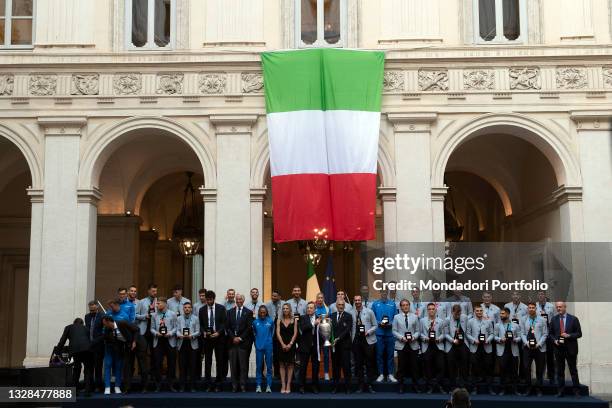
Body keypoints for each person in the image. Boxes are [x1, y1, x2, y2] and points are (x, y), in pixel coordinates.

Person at [549, 301, 582, 398]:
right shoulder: (554, 319)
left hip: (571, 349)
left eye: (560, 307)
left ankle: (576, 391)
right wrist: (554, 340)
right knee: (559, 371)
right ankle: (560, 391)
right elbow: (550, 334)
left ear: (565, 307)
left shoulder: (573, 319)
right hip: (558, 349)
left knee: (573, 370)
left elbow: (579, 333)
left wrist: (569, 335)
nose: (558, 308)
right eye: (557, 307)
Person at [199, 290, 227, 392]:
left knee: (220, 361)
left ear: (213, 299)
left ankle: (218, 384)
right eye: (207, 300)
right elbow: (201, 325)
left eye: (210, 300)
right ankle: (208, 384)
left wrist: (218, 332)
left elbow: (224, 323)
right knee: (208, 362)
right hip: (207, 339)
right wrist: (204, 332)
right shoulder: (202, 310)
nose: (209, 302)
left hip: (219, 339)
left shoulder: (221, 308)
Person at [101, 316, 137, 395]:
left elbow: (135, 330)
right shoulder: (106, 329)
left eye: (104, 324)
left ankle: (117, 386)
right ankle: (107, 387)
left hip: (119, 350)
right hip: (109, 349)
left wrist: (134, 341)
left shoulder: (122, 323)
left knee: (119, 366)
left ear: (108, 322)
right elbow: (103, 338)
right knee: (108, 365)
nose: (104, 326)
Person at [57, 318, 93, 396]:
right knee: (87, 369)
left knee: (77, 369)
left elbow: (62, 340)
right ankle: (87, 391)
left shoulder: (68, 327)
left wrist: (57, 352)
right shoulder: (86, 328)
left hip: (75, 350)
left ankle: (75, 391)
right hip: (87, 349)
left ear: (74, 323)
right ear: (82, 323)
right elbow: (90, 339)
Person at [226, 294, 254, 392]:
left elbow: (249, 328)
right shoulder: (229, 312)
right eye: (237, 299)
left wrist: (240, 338)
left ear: (243, 300)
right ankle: (234, 386)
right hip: (232, 343)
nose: (238, 301)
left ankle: (242, 385)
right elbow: (227, 327)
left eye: (240, 299)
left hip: (243, 343)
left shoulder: (249, 312)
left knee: (243, 366)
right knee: (233, 366)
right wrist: (233, 338)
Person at [150, 297, 178, 392]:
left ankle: (171, 384)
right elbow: (152, 328)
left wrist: (170, 333)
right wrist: (156, 333)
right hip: (158, 341)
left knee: (171, 363)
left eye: (159, 303)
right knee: (157, 363)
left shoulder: (173, 314)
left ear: (165, 304)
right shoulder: (154, 315)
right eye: (157, 304)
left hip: (169, 340)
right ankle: (158, 385)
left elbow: (176, 328)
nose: (157, 305)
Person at [392, 299, 420, 393]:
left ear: (409, 305)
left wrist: (414, 337)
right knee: (401, 367)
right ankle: (401, 385)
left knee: (415, 366)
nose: (405, 306)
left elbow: (418, 331)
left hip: (413, 344)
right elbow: (394, 331)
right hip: (401, 344)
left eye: (407, 305)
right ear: (400, 307)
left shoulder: (415, 317)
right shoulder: (396, 317)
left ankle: (415, 385)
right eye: (403, 305)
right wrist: (401, 338)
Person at [466, 305, 495, 395]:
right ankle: (474, 388)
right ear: (474, 311)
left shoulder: (488, 321)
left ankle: (490, 388)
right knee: (474, 368)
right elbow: (468, 333)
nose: (479, 312)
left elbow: (492, 333)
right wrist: (474, 341)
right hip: (475, 347)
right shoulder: (470, 321)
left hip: (486, 347)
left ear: (483, 312)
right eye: (477, 311)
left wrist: (488, 340)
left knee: (488, 367)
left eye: (480, 311)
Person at [520, 302, 547, 396]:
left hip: (539, 348)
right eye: (529, 307)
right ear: (528, 309)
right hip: (527, 348)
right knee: (526, 368)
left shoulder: (542, 320)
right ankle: (528, 387)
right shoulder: (523, 319)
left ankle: (539, 388)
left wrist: (539, 344)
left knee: (539, 369)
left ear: (536, 309)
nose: (531, 309)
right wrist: (526, 343)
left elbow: (545, 334)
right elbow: (522, 333)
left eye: (533, 307)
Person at [352, 294, 377, 393]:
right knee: (359, 364)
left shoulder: (369, 311)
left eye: (359, 300)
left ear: (361, 301)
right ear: (354, 301)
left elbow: (375, 325)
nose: (357, 302)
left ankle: (370, 385)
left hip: (368, 341)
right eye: (356, 300)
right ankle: (361, 385)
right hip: (357, 341)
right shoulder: (351, 312)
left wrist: (368, 332)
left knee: (369, 364)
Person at [371, 289, 398, 382]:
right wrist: (379, 323)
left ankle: (390, 374)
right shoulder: (375, 304)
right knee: (379, 355)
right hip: (379, 333)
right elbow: (372, 318)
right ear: (380, 293)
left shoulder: (392, 304)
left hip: (390, 333)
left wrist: (390, 323)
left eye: (385, 292)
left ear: (387, 293)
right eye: (382, 292)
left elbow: (396, 317)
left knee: (390, 355)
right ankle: (381, 374)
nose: (384, 293)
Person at [494, 307, 521, 396]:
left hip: (513, 350)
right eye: (500, 314)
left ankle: (515, 389)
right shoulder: (497, 325)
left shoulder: (515, 325)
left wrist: (515, 339)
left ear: (508, 314)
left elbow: (520, 337)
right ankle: (503, 389)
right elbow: (494, 336)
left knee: (514, 371)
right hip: (502, 350)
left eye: (503, 314)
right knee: (502, 371)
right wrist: (500, 339)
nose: (501, 315)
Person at [420, 302, 445, 394]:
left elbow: (444, 333)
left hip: (438, 346)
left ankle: (437, 384)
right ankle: (431, 386)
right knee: (428, 367)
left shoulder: (441, 321)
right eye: (429, 309)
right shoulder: (422, 321)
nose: (431, 310)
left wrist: (439, 339)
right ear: (427, 311)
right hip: (427, 346)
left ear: (436, 310)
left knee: (440, 366)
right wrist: (425, 338)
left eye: (433, 309)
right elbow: (420, 333)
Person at [177, 302, 200, 392]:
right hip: (182, 343)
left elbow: (198, 331)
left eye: (188, 307)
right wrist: (180, 335)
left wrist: (192, 335)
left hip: (192, 344)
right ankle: (182, 386)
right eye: (185, 307)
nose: (187, 309)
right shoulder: (179, 318)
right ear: (183, 309)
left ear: (191, 309)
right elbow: (177, 330)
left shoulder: (196, 318)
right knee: (182, 366)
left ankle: (192, 387)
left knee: (192, 366)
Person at [330, 299, 353, 394]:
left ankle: (348, 387)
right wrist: (331, 339)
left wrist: (338, 338)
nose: (340, 306)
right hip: (334, 346)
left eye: (342, 305)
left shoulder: (349, 316)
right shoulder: (331, 316)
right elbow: (329, 330)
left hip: (345, 346)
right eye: (339, 304)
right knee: (335, 367)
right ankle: (336, 387)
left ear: (344, 305)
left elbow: (347, 330)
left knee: (346, 367)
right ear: (336, 305)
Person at [298, 302, 320, 394]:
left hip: (315, 346)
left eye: (311, 308)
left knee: (315, 367)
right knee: (303, 367)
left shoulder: (319, 318)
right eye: (308, 308)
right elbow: (303, 328)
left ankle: (314, 386)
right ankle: (302, 386)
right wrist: (313, 324)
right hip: (305, 346)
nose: (309, 309)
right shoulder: (303, 317)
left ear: (315, 309)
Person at [445, 304, 469, 389]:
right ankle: (452, 386)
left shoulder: (465, 318)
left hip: (463, 345)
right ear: (452, 312)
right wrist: (452, 340)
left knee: (464, 366)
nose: (458, 316)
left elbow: (467, 331)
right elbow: (446, 334)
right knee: (452, 366)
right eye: (456, 314)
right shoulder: (447, 320)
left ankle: (463, 385)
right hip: (452, 345)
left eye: (459, 314)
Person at [276, 303, 298, 393]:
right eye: (284, 308)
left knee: (290, 365)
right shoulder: (278, 320)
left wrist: (290, 344)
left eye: (287, 308)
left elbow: (295, 333)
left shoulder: (294, 320)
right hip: (281, 345)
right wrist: (282, 344)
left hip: (291, 345)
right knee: (281, 365)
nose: (285, 310)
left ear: (290, 310)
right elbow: (277, 333)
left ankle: (288, 384)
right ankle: (283, 384)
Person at [253, 304, 274, 393]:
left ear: (266, 313)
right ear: (259, 313)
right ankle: (258, 385)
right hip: (259, 347)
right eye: (261, 312)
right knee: (259, 367)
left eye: (264, 312)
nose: (262, 314)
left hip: (268, 346)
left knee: (269, 367)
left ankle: (269, 386)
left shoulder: (270, 321)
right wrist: (257, 343)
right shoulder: (255, 322)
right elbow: (254, 334)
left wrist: (269, 341)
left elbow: (272, 333)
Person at [536, 291, 556, 383]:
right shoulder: (535, 306)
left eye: (542, 294)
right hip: (538, 334)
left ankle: (551, 377)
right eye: (539, 295)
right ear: (537, 296)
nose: (540, 296)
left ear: (545, 296)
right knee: (540, 356)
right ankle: (540, 377)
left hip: (549, 333)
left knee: (550, 356)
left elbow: (554, 319)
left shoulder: (551, 306)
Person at [85, 301, 104, 392]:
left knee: (98, 367)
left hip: (99, 345)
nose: (91, 312)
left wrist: (95, 341)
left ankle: (98, 386)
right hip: (89, 346)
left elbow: (103, 332)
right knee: (89, 367)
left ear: (97, 308)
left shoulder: (102, 316)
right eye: (90, 310)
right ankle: (89, 386)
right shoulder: (87, 316)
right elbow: (87, 330)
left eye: (93, 310)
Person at [314, 292, 331, 380]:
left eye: (321, 298)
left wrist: (326, 318)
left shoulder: (328, 309)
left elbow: (330, 322)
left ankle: (326, 373)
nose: (320, 299)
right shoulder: (313, 309)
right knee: (316, 355)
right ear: (316, 299)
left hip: (325, 336)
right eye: (318, 298)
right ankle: (316, 373)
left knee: (326, 355)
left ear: (323, 299)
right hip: (316, 336)